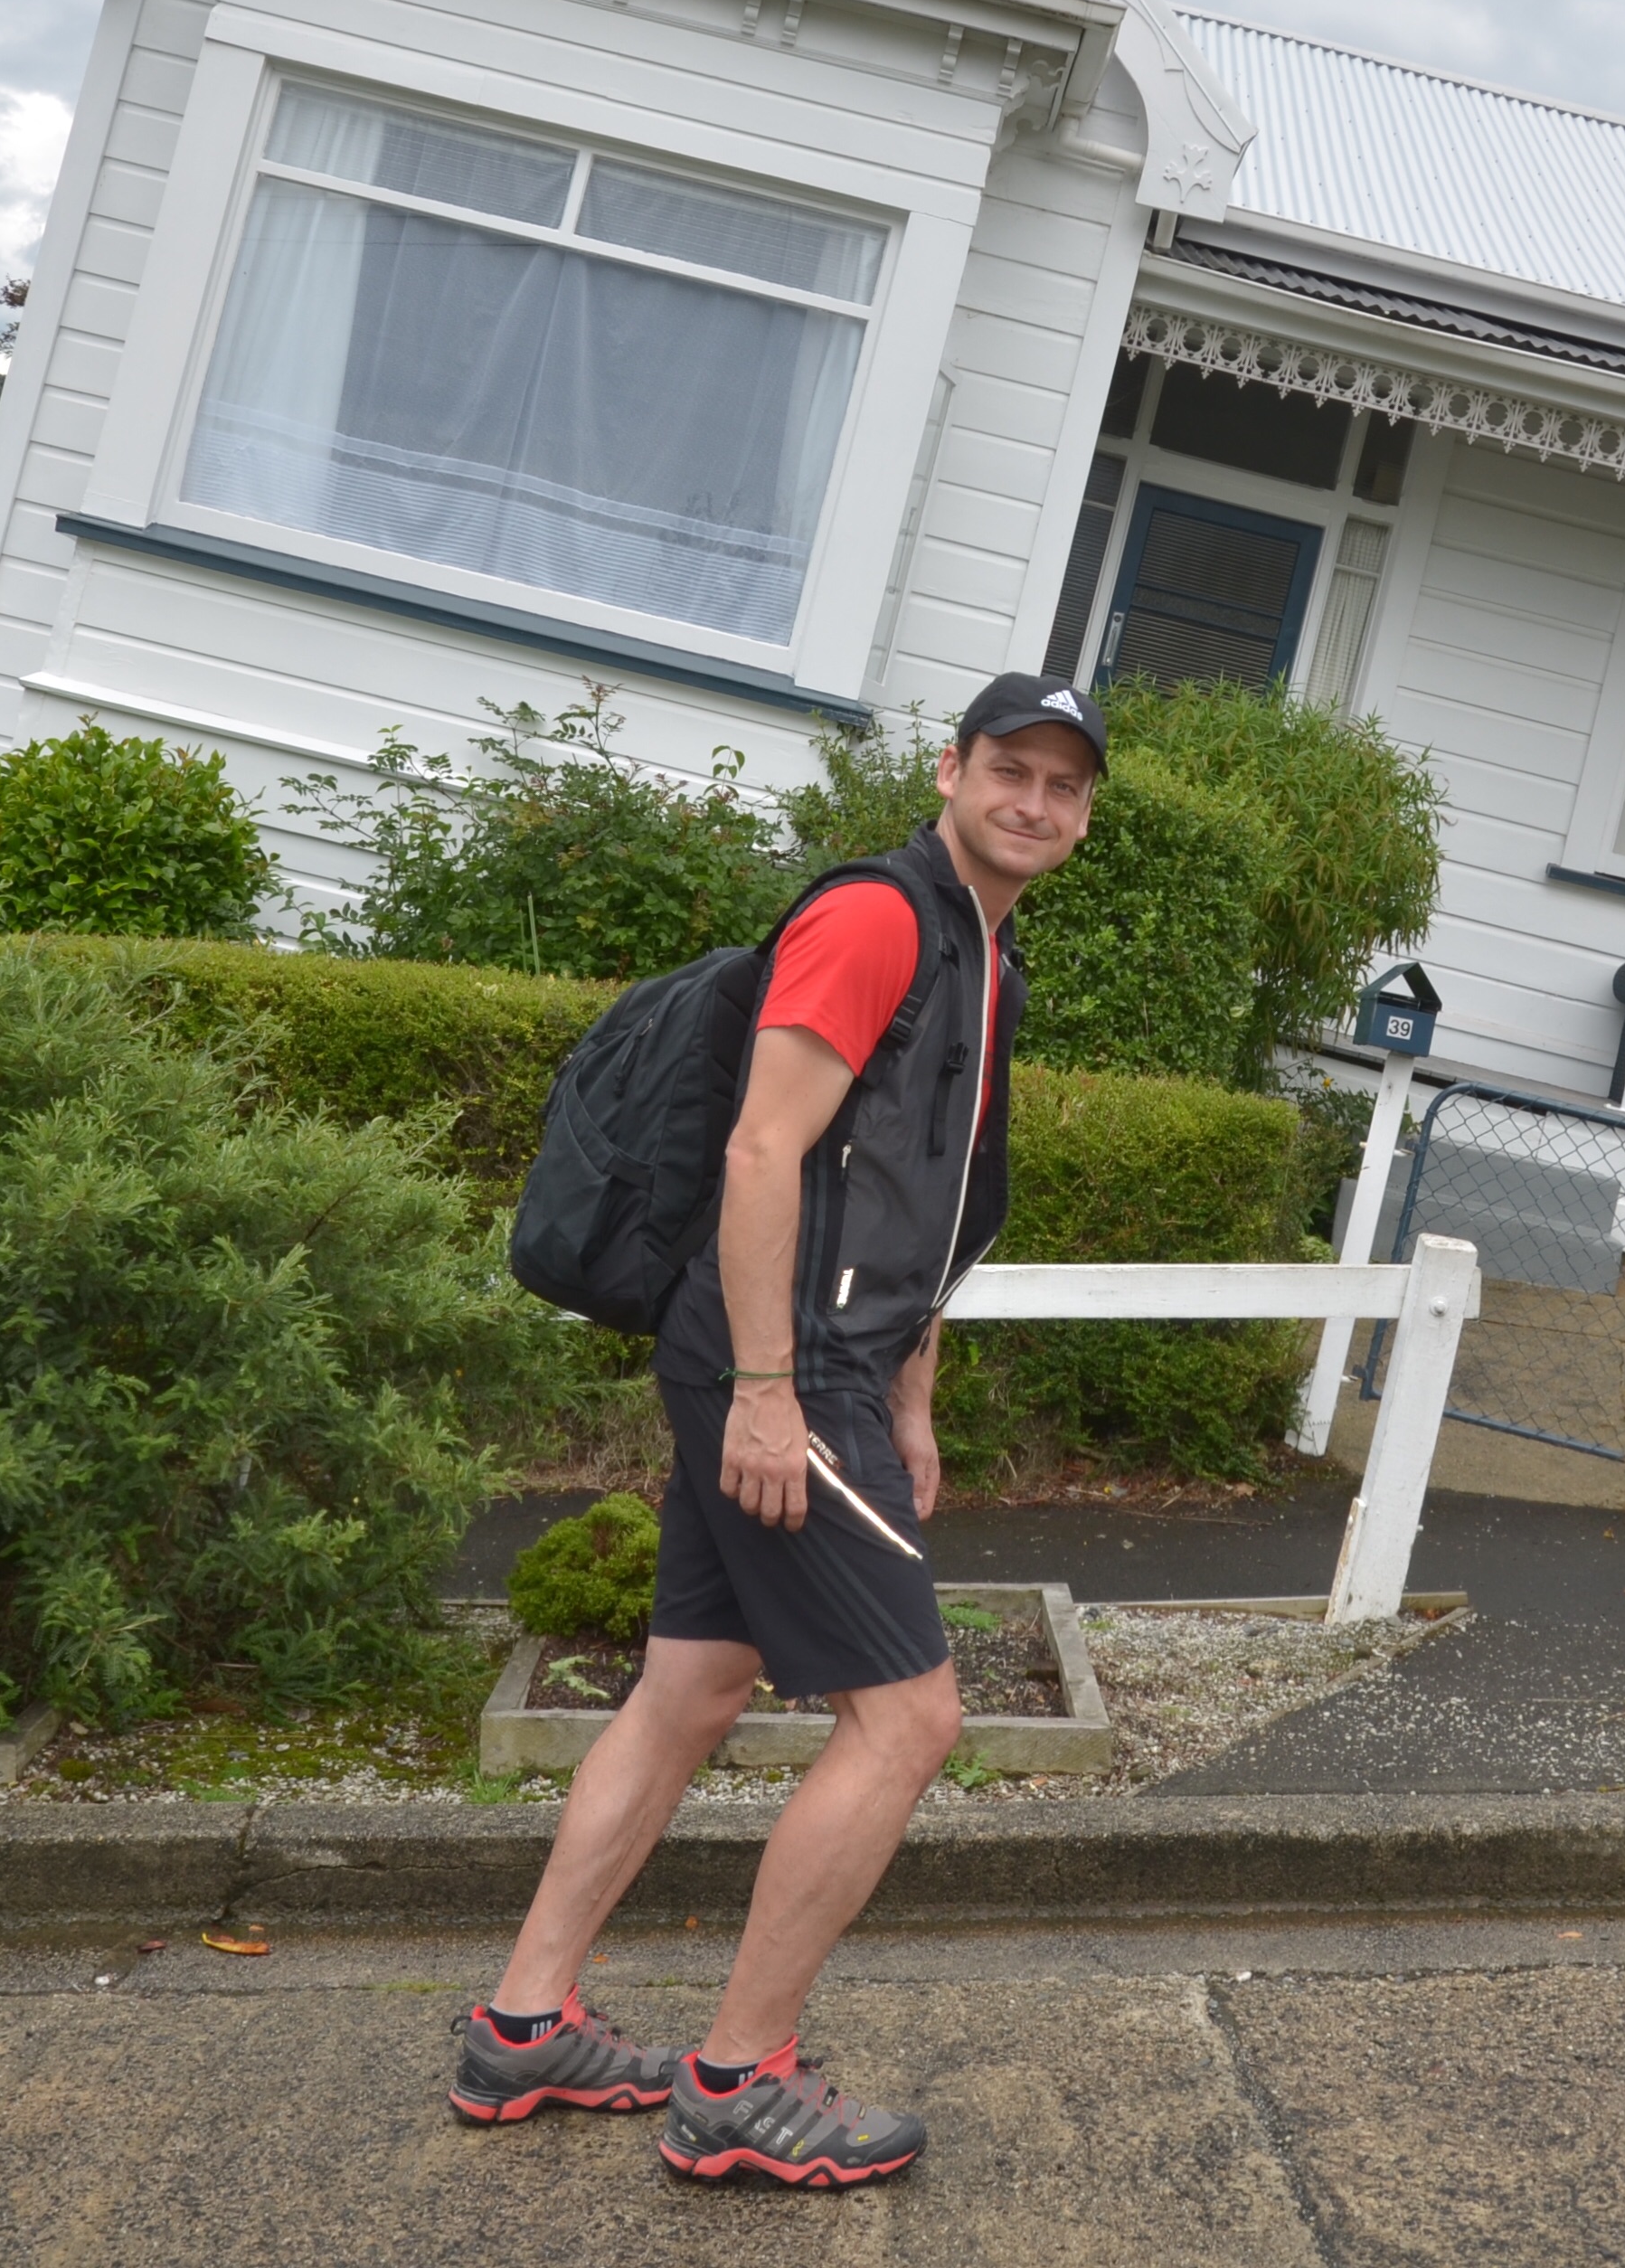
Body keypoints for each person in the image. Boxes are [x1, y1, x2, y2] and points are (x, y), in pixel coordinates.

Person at [449, 672, 1108, 2189]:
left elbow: (921, 1202)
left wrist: (914, 1395)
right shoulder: (880, 918)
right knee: (911, 1722)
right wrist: (766, 1388)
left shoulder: (983, 953)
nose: (1034, 802)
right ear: (950, 771)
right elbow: (763, 1150)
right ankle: (742, 2082)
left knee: (690, 1686)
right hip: (780, 1365)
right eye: (1010, 769)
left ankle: (524, 2026)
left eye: (1064, 785)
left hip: (823, 1362)